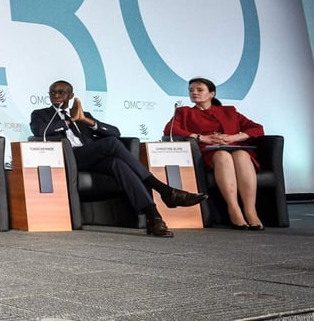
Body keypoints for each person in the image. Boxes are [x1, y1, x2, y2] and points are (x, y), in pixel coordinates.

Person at [30, 80, 207, 238]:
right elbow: (40, 132)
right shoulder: (40, 114)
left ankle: (154, 217)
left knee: (118, 164)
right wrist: (68, 121)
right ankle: (164, 190)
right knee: (111, 144)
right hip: (67, 158)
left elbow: (115, 132)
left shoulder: (83, 114)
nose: (56, 95)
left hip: (91, 157)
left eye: (61, 92)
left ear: (71, 95)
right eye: (52, 92)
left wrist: (85, 120)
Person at [163, 77, 265, 230]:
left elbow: (257, 128)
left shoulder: (229, 111)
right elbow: (170, 130)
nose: (194, 93)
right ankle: (233, 209)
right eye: (191, 90)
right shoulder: (184, 112)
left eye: (199, 90)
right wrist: (201, 137)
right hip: (207, 152)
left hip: (234, 148)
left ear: (211, 93)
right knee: (223, 156)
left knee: (242, 155)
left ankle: (251, 211)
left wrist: (234, 137)